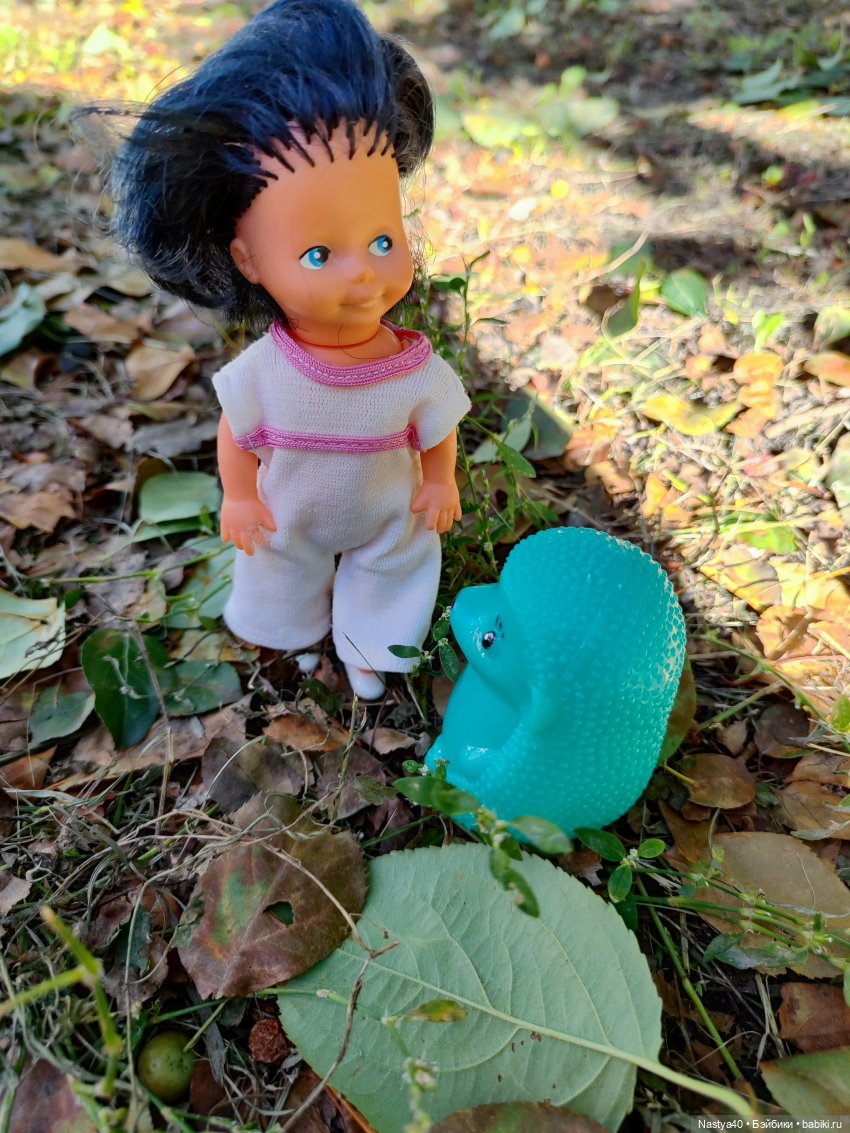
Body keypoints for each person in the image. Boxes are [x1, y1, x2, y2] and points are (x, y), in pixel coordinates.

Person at [108, 0, 470, 699]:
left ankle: (371, 643)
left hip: (388, 509)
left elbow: (437, 428)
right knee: (277, 563)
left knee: (395, 563)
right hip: (289, 508)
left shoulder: (412, 367)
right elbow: (236, 430)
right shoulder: (266, 370)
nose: (363, 273)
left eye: (384, 241)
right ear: (246, 259)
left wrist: (439, 481)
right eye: (317, 254)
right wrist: (240, 495)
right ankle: (292, 631)